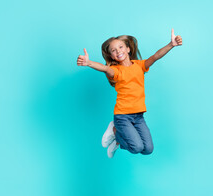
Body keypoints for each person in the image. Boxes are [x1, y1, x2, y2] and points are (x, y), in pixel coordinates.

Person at [77, 29, 182, 158]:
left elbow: (155, 56)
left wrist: (171, 44)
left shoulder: (140, 65)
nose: (118, 51)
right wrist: (89, 63)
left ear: (128, 49)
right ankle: (115, 131)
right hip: (122, 116)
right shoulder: (116, 70)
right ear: (111, 56)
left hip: (138, 116)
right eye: (113, 51)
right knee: (136, 147)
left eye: (120, 47)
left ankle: (117, 139)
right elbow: (105, 68)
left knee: (147, 149)